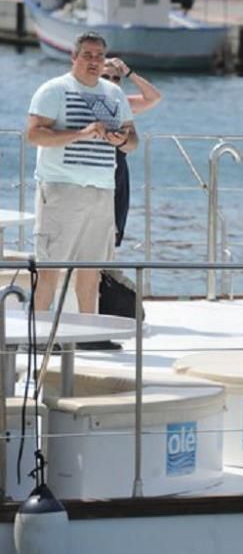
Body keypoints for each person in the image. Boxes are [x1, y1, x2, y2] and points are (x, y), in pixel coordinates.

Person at [26, 31, 136, 331]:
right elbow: (34, 135)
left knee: (91, 271)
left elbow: (132, 142)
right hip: (61, 190)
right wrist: (82, 133)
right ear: (73, 57)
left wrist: (120, 139)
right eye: (87, 55)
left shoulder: (114, 95)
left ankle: (89, 335)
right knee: (50, 270)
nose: (94, 61)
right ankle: (37, 336)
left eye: (99, 56)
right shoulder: (53, 90)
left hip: (102, 191)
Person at [101, 57, 162, 247]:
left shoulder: (123, 102)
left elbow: (154, 97)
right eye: (105, 76)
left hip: (116, 168)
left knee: (113, 231)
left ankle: (103, 274)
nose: (111, 82)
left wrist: (129, 73)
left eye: (116, 78)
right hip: (88, 170)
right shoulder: (80, 97)